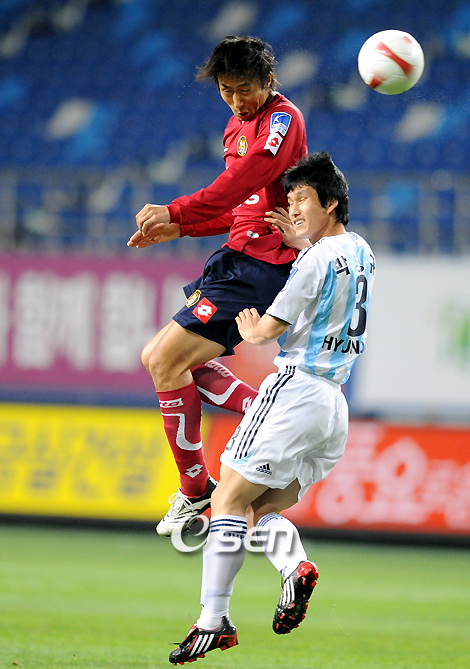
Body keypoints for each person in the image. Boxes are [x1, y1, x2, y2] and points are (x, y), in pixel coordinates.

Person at [168, 151, 376, 665]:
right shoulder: (362, 251)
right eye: (291, 198)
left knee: (226, 500)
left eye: (302, 198)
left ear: (331, 203)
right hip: (334, 405)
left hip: (296, 389)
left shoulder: (313, 260)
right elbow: (330, 266)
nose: (294, 207)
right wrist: (302, 242)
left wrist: (249, 328)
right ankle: (295, 569)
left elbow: (269, 329)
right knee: (258, 511)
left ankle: (213, 621)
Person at [127, 36, 308, 536]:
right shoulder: (236, 126)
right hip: (235, 259)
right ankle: (265, 411)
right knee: (157, 358)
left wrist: (177, 210)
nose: (236, 100)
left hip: (263, 264)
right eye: (226, 90)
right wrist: (181, 228)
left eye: (244, 88)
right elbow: (241, 206)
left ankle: (194, 489)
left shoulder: (282, 120)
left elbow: (244, 180)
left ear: (267, 81)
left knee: (166, 362)